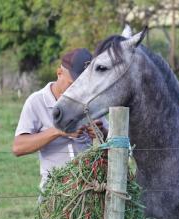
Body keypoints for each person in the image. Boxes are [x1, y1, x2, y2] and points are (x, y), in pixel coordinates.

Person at [12, 48, 108, 193]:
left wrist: (102, 132)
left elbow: (117, 143)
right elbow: (18, 148)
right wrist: (59, 130)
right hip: (53, 191)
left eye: (82, 86)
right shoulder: (36, 101)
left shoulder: (91, 100)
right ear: (59, 73)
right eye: (72, 84)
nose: (77, 91)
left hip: (90, 189)